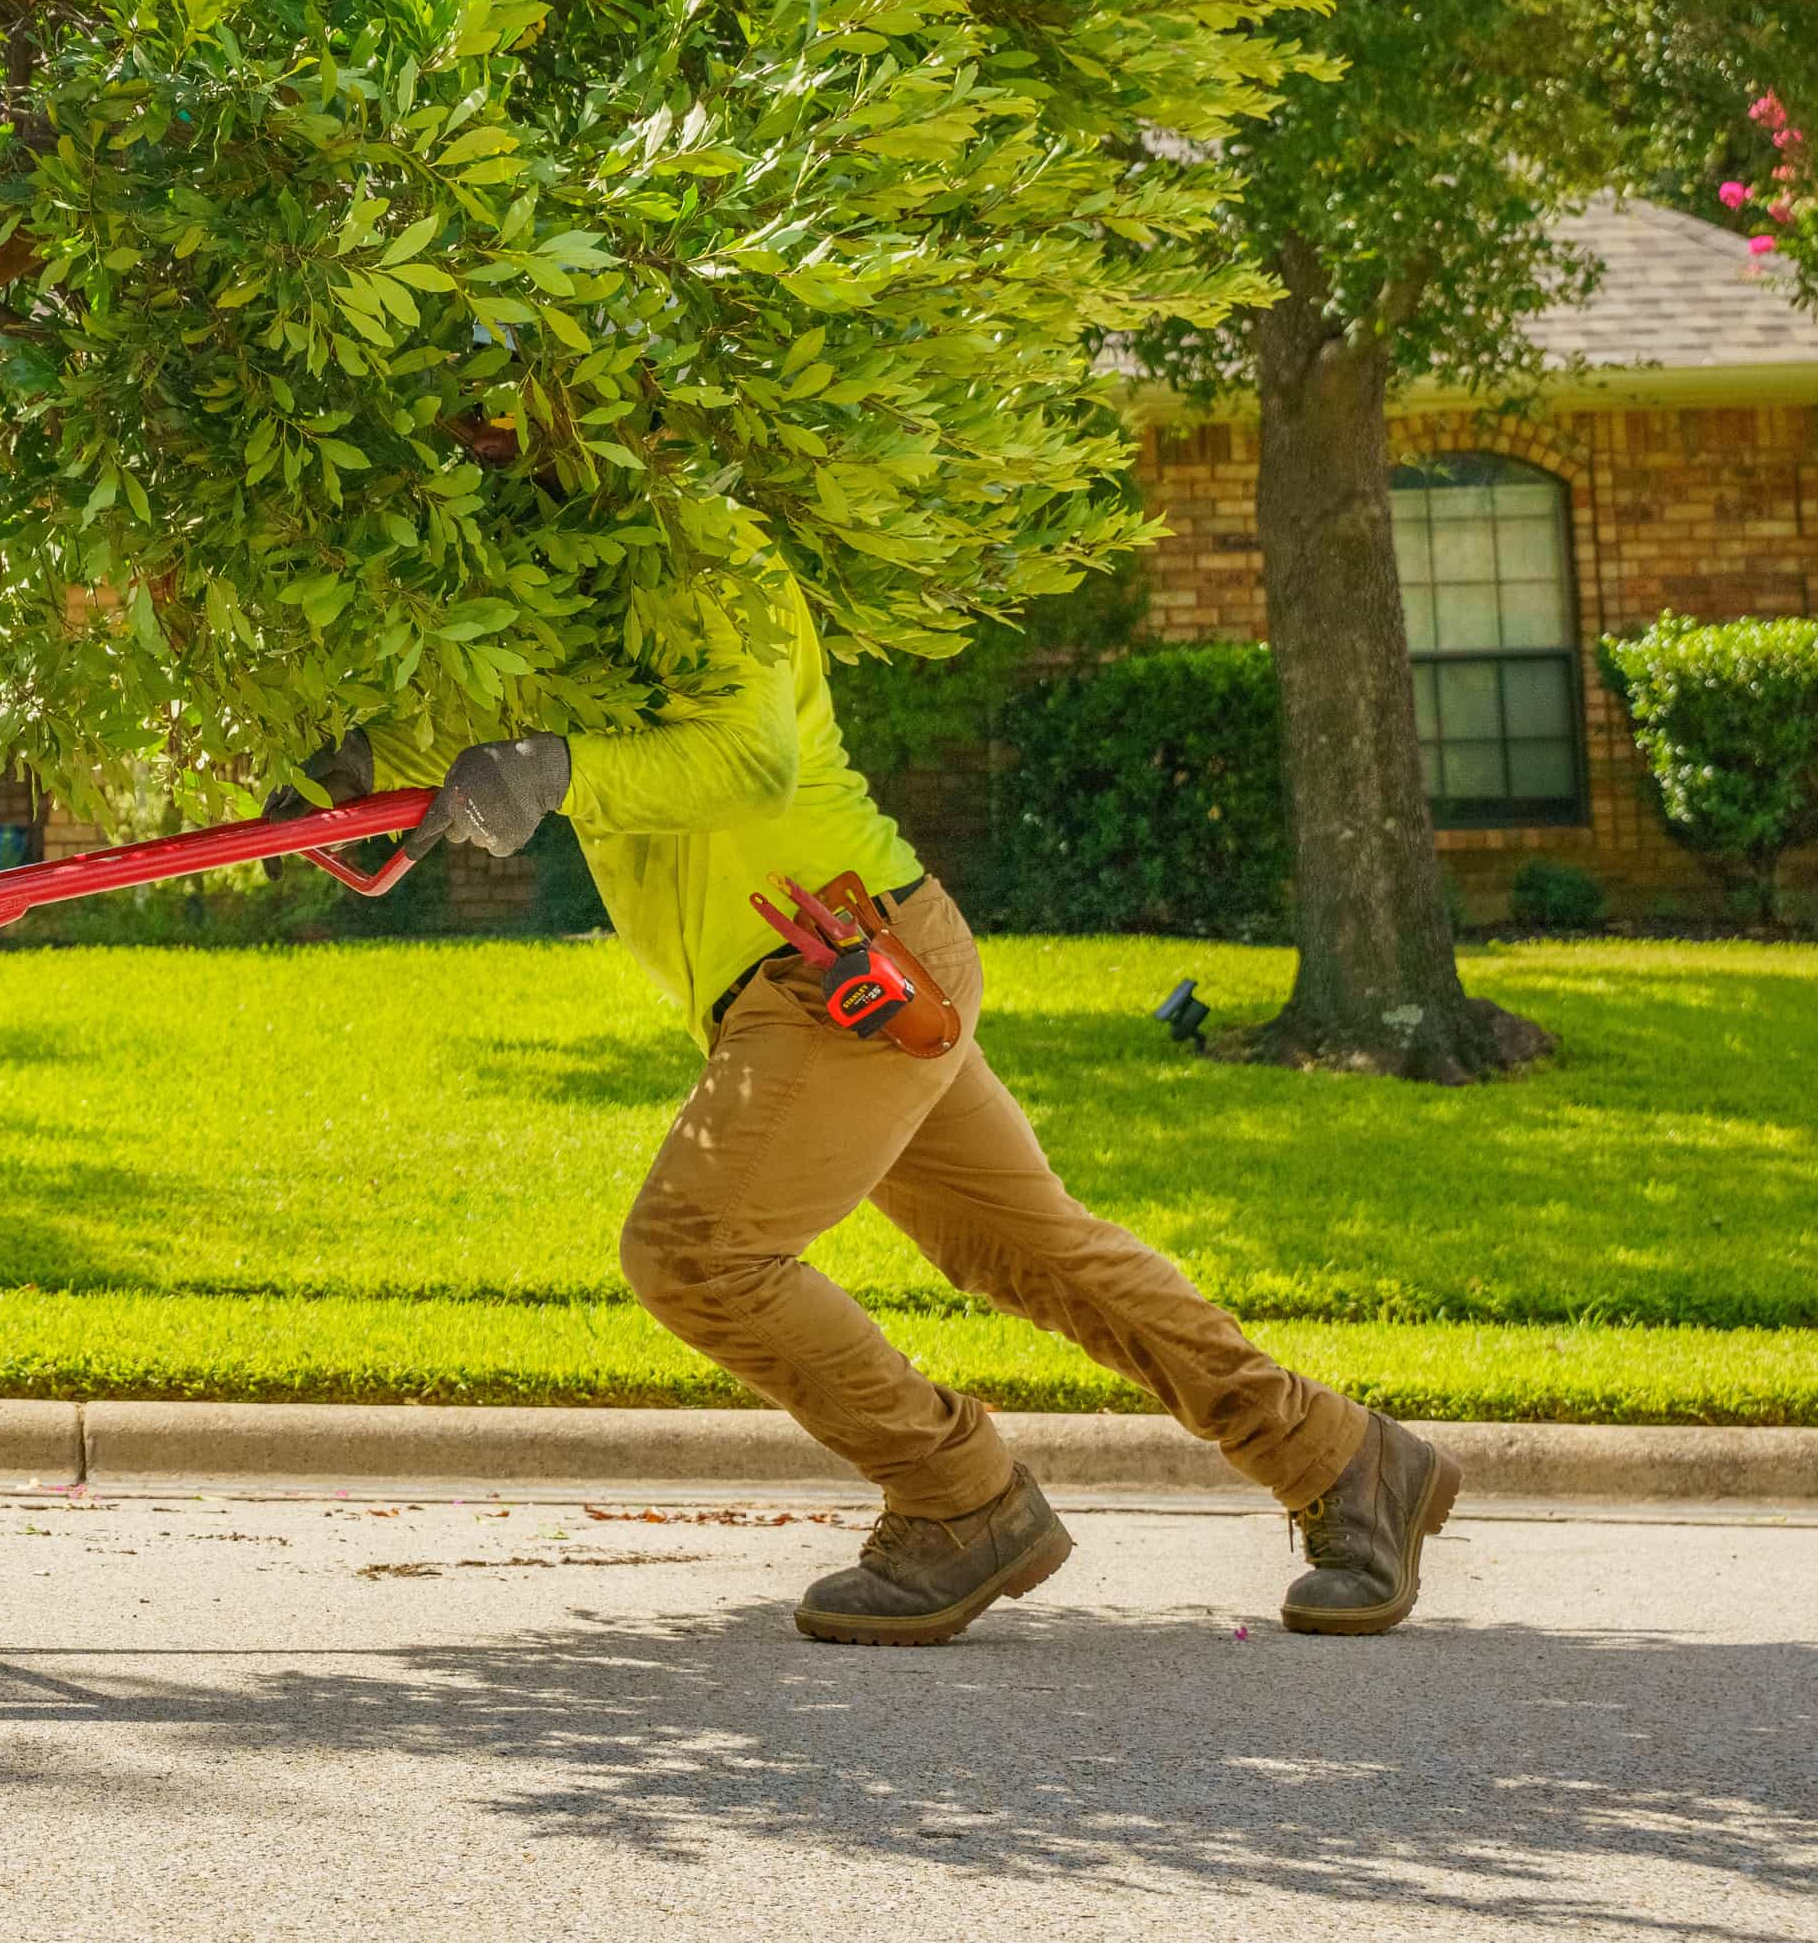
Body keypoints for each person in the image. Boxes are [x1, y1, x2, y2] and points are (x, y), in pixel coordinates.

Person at [347, 569, 1459, 1647]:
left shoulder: (706, 549)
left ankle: (959, 1496)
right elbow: (460, 731)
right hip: (846, 969)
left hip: (839, 965)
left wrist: (549, 768)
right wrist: (347, 764)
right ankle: (1344, 1458)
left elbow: (750, 758)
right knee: (1038, 1254)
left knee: (697, 1252)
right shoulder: (551, 582)